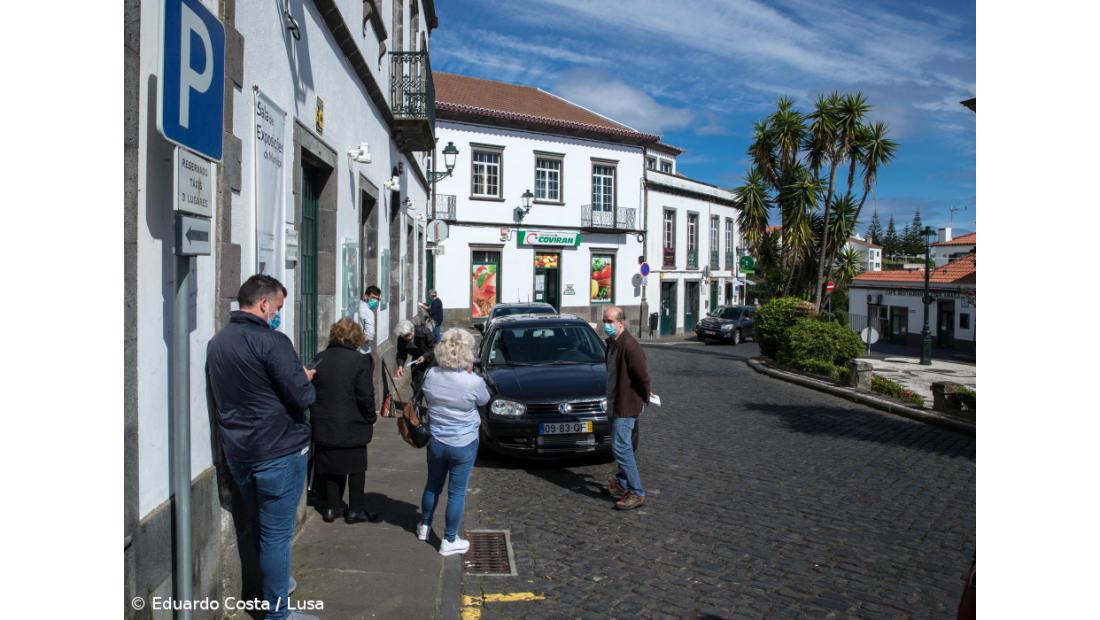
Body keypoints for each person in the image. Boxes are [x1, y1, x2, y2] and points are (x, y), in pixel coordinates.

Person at [206, 274, 318, 620]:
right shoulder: (273, 342)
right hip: (278, 451)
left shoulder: (218, 342)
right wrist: (305, 377)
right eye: (278, 308)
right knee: (276, 536)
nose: (278, 315)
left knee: (259, 527)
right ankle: (278, 612)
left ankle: (272, 588)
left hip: (239, 451)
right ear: (264, 303)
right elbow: (303, 396)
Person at [416, 328, 491, 555]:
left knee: (432, 485)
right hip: (463, 441)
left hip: (437, 439)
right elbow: (484, 399)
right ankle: (449, 539)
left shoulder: (430, 375)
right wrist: (469, 374)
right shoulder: (472, 382)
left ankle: (425, 526)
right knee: (457, 492)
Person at [310, 317, 380, 524]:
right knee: (356, 467)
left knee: (331, 467)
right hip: (352, 425)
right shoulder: (359, 361)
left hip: (325, 424)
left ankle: (333, 507)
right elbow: (365, 395)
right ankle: (355, 509)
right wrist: (370, 416)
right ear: (356, 338)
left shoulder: (319, 358)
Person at [599, 305, 652, 511]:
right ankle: (621, 483)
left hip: (625, 405)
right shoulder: (612, 344)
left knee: (622, 448)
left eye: (609, 322)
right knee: (620, 445)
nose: (606, 325)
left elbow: (642, 377)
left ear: (621, 323)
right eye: (604, 321)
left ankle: (637, 492)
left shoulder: (630, 346)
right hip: (614, 402)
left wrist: (643, 399)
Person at [394, 319, 436, 390]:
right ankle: (417, 398)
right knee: (417, 384)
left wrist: (424, 356)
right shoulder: (401, 339)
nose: (408, 338)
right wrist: (400, 366)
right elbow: (401, 353)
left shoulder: (424, 332)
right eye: (405, 336)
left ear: (412, 330)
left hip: (430, 360)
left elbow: (434, 346)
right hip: (417, 361)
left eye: (409, 335)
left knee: (430, 384)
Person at [357, 285, 382, 355]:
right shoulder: (368, 312)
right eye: (373, 298)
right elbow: (369, 335)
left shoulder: (357, 306)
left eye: (377, 299)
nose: (375, 301)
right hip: (363, 352)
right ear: (366, 296)